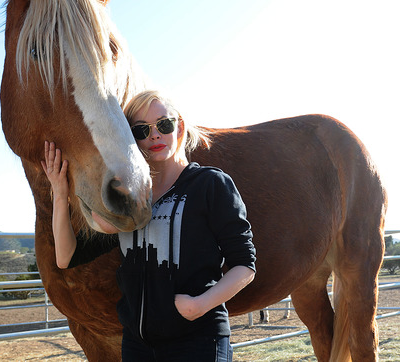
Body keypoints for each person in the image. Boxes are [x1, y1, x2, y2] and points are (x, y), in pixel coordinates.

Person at [41, 90, 256, 362]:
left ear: (178, 127)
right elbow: (65, 256)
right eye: (142, 130)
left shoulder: (211, 184)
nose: (154, 135)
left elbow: (245, 266)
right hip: (137, 346)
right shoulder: (130, 198)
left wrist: (200, 305)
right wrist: (60, 194)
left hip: (198, 340)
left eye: (163, 125)